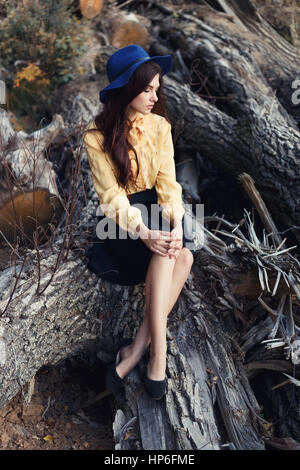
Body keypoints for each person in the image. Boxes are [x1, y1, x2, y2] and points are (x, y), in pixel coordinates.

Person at [83, 44, 194, 400]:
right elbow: (112, 198)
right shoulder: (96, 135)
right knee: (170, 256)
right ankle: (156, 357)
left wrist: (176, 224)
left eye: (156, 89)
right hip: (122, 221)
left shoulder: (160, 126)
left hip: (156, 210)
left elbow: (168, 183)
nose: (154, 96)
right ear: (127, 89)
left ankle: (133, 352)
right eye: (147, 89)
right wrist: (144, 232)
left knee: (184, 253)